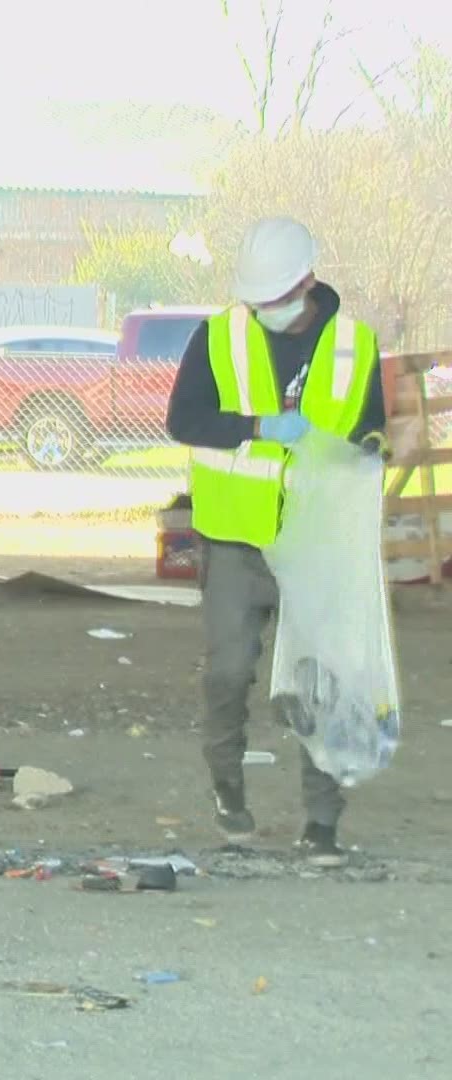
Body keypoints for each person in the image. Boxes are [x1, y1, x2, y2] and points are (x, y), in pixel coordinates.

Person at [164, 216, 387, 867]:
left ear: (307, 283)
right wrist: (260, 425)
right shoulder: (219, 337)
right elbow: (185, 419)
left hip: (317, 542)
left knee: (321, 682)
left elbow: (370, 427)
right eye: (256, 301)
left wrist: (366, 452)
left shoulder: (355, 345)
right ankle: (228, 792)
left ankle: (322, 823)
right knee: (230, 672)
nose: (264, 311)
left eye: (276, 299)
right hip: (237, 539)